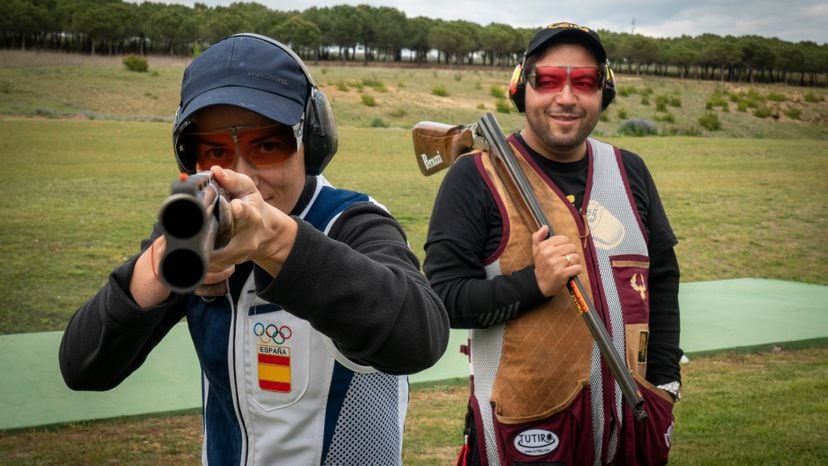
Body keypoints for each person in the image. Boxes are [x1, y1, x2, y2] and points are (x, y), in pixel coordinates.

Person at [59, 33, 449, 465]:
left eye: (267, 145)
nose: (242, 175)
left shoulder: (351, 220)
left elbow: (421, 338)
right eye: (215, 151)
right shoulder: (198, 221)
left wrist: (275, 242)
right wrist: (160, 265)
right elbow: (83, 368)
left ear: (311, 143)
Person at [423, 22, 682, 465]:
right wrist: (533, 284)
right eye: (547, 80)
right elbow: (442, 299)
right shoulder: (476, 176)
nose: (566, 97)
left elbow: (661, 278)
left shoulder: (630, 170)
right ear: (522, 88)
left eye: (583, 82)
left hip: (631, 424)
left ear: (604, 91)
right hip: (525, 433)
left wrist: (665, 383)